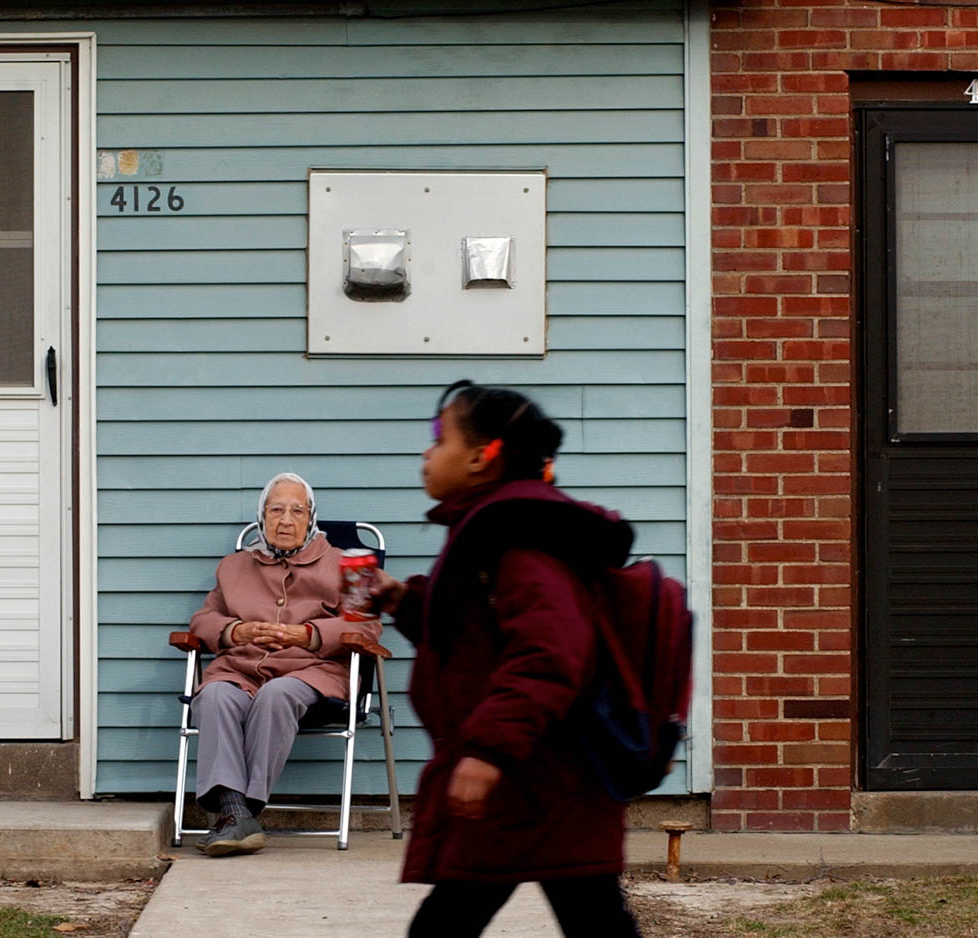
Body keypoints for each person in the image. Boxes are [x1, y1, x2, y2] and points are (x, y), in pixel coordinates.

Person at [370, 380, 644, 938]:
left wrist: (489, 751)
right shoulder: (495, 527)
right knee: (589, 917)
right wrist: (407, 601)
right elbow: (475, 640)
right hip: (529, 783)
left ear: (481, 455)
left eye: (438, 436)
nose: (427, 450)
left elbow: (551, 651)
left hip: (538, 779)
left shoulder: (520, 538)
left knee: (460, 923)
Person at [187, 472, 381, 857]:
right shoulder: (234, 566)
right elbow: (202, 621)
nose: (286, 520)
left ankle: (239, 811)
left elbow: (369, 626)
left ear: (312, 519)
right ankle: (237, 814)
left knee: (277, 694)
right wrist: (234, 631)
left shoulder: (351, 564)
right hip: (240, 671)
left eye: (297, 511)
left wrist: (307, 634)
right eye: (276, 510)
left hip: (313, 673)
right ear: (262, 517)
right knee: (213, 697)